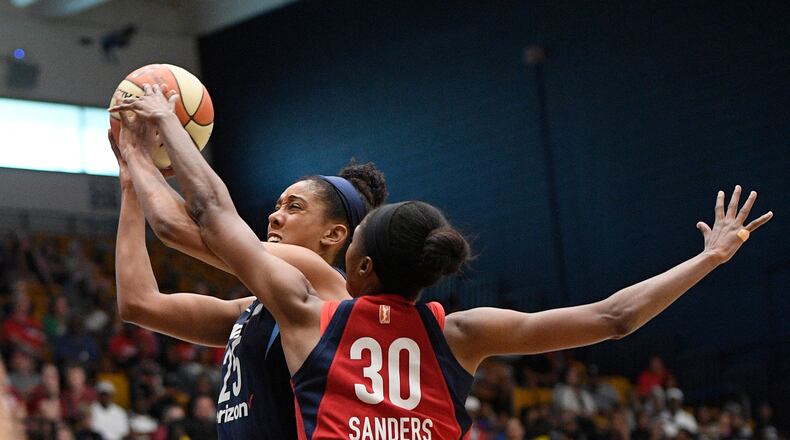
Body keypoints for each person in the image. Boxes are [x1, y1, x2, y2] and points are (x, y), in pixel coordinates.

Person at [112, 84, 773, 439]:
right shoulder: (459, 333)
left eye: (291, 207)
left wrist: (158, 130)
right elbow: (614, 316)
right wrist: (708, 260)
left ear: (349, 255)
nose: (274, 219)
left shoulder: (310, 301)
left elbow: (204, 214)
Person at [110, 88, 387, 439]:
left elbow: (177, 228)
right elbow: (139, 303)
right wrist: (131, 186)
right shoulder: (253, 311)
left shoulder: (321, 279)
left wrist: (149, 139)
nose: (275, 216)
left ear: (333, 235)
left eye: (294, 207)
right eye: (278, 205)